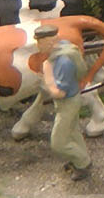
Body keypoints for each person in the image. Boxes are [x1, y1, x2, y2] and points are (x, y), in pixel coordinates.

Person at [38, 24, 91, 181]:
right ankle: (79, 159)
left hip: (67, 103)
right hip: (70, 100)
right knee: (73, 132)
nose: (38, 46)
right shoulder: (63, 46)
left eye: (40, 43)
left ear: (50, 43)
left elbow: (58, 93)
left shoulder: (63, 62)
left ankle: (83, 163)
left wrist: (46, 75)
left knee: (59, 142)